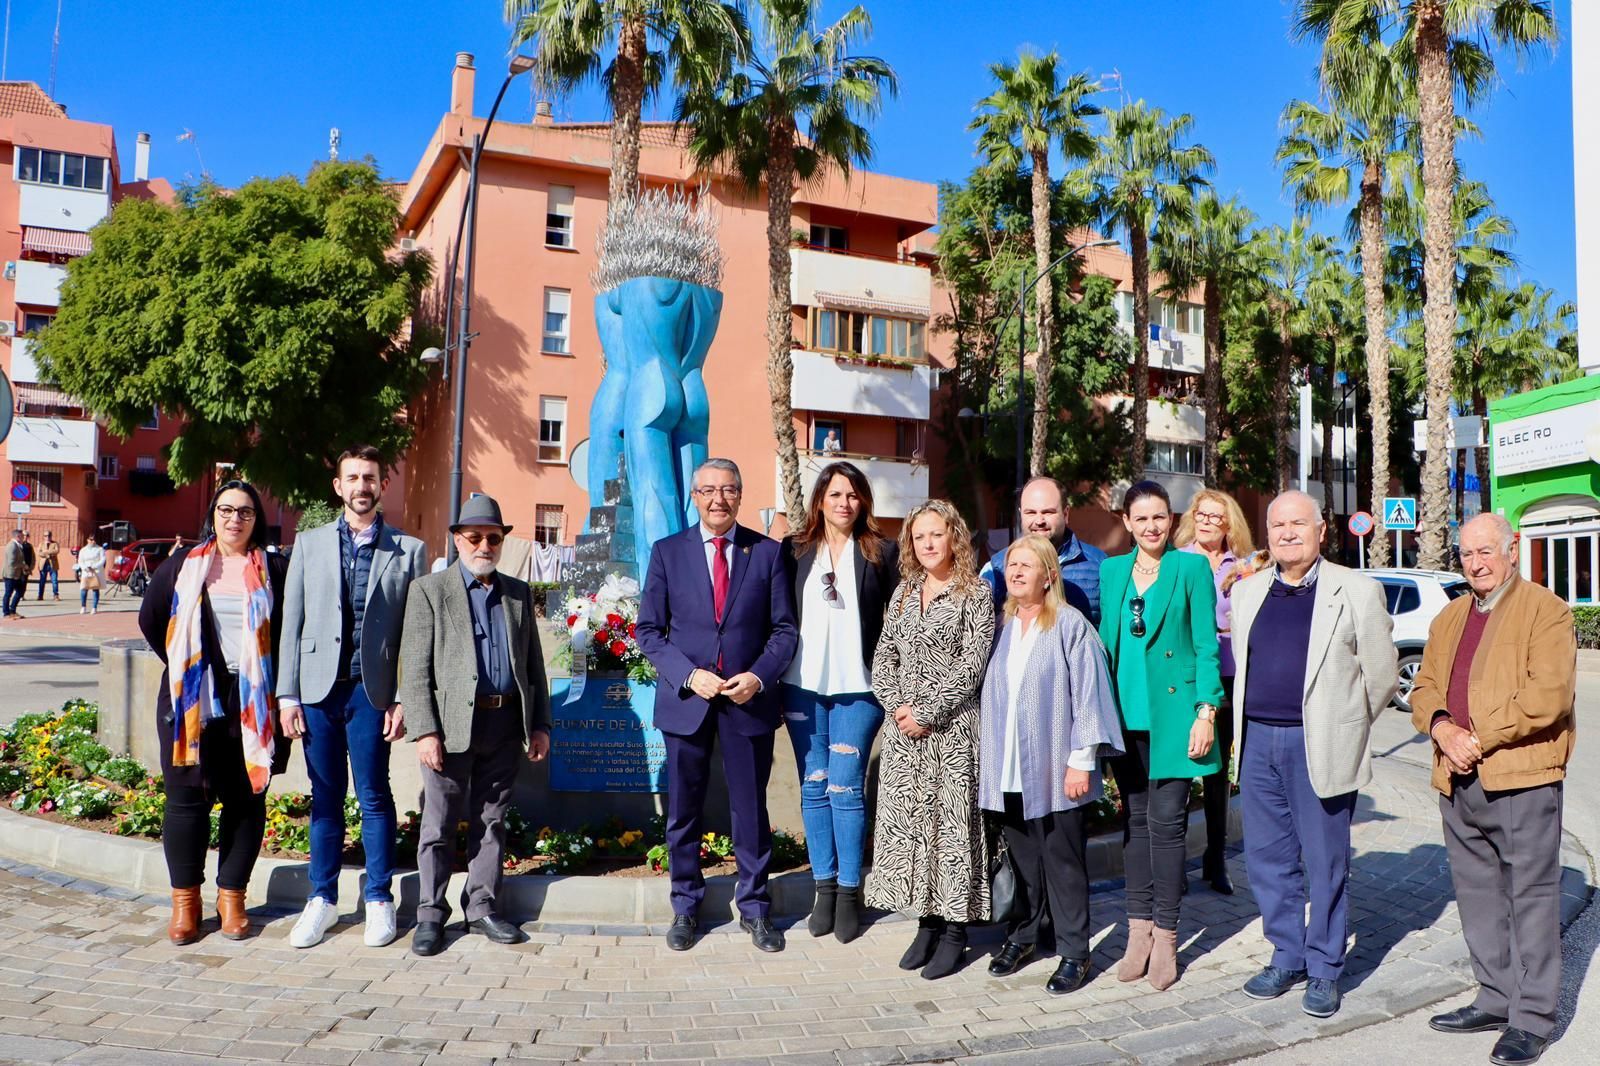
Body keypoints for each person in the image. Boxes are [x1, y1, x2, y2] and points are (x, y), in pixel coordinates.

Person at [1411, 513, 1576, 1066]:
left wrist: (1474, 737)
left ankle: (1532, 1019)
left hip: (1522, 778)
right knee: (1478, 895)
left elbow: (1547, 697)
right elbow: (1424, 685)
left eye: (1487, 552)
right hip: (1456, 778)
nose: (1476, 563)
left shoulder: (1545, 611)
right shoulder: (1451, 615)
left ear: (1513, 549)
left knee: (1530, 898)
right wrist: (1441, 727)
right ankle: (1496, 996)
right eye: (1466, 554)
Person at [1229, 491, 1396, 1019]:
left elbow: (1382, 675)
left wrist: (1345, 727)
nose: (1286, 533)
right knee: (1268, 860)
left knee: (1325, 862)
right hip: (1257, 741)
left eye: (1297, 523)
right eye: (1276, 525)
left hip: (1318, 743)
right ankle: (1287, 954)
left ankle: (1324, 967)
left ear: (1322, 530)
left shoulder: (1355, 589)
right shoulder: (1248, 591)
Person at [636, 458, 798, 954]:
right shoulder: (668, 553)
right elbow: (648, 631)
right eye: (707, 490)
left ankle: (755, 909)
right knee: (683, 811)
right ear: (694, 495)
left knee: (749, 810)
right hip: (688, 701)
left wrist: (757, 677)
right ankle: (685, 906)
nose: (717, 499)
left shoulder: (767, 553)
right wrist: (689, 674)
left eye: (727, 489)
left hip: (747, 702)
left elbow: (784, 630)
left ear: (741, 494)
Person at [277, 446, 427, 949]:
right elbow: (291, 624)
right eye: (353, 478)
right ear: (338, 486)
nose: (362, 486)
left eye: (370, 478)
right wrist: (287, 694)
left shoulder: (409, 550)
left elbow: (417, 631)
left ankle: (379, 898)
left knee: (374, 796)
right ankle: (321, 899)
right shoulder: (309, 543)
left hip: (373, 692)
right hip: (318, 692)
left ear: (382, 485)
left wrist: (406, 696)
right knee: (324, 799)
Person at [137, 480, 291, 945]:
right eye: (226, 510)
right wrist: (187, 670)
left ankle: (232, 899)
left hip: (253, 698)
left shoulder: (273, 569)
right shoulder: (184, 566)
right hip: (193, 699)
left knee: (246, 799)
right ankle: (186, 904)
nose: (234, 519)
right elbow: (151, 620)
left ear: (255, 519)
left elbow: (288, 629)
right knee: (186, 800)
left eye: (245, 512)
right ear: (213, 515)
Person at [398, 494, 551, 957]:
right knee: (439, 823)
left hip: (504, 722)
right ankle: (429, 914)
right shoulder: (430, 590)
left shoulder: (518, 593)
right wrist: (425, 730)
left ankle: (482, 907)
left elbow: (533, 666)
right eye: (475, 537)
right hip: (448, 729)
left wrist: (540, 723)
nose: (484, 545)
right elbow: (416, 667)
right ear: (458, 539)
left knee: (492, 821)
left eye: (493, 537)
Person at [979, 535, 1124, 995]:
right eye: (1012, 565)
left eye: (1027, 565)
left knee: (1063, 862)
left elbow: (1088, 695)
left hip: (1057, 768)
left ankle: (1074, 953)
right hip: (1010, 769)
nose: (1016, 572)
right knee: (1023, 862)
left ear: (1049, 576)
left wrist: (1081, 762)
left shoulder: (1070, 624)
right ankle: (1022, 937)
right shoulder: (999, 627)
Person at [1098, 480, 1221, 991]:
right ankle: (1138, 932)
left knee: (1168, 826)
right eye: (1140, 518)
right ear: (1126, 522)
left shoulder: (1190, 568)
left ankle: (1167, 937)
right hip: (1123, 719)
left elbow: (1206, 645)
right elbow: (1105, 645)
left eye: (1159, 517)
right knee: (1135, 823)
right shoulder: (1111, 571)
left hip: (1175, 717)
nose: (1151, 527)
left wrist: (1206, 712)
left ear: (1171, 520)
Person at [866, 499, 995, 981]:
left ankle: (956, 932)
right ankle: (926, 921)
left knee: (951, 832)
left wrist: (927, 711)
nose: (927, 544)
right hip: (904, 735)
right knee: (914, 830)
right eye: (919, 537)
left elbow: (971, 665)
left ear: (954, 536)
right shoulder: (903, 592)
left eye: (936, 535)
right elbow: (884, 658)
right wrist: (897, 707)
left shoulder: (976, 593)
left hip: (953, 733)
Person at [779, 461, 899, 943]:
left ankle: (850, 891)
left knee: (846, 787)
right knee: (813, 786)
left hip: (860, 688)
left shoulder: (881, 552)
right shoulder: (793, 551)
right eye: (835, 495)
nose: (844, 503)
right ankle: (822, 888)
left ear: (863, 502)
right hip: (801, 686)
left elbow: (899, 622)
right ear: (820, 501)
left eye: (852, 495)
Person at [1173, 488, 1256, 895]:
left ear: (1229, 524)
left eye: (1215, 517)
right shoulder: (1178, 560)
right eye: (1200, 515)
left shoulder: (1241, 565)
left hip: (1229, 673)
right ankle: (1179, 863)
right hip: (1189, 673)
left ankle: (1216, 858)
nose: (1206, 522)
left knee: (1220, 772)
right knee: (1187, 766)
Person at [979, 476, 1107, 625]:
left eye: (1048, 512)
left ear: (1066, 514)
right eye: (1031, 513)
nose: (1039, 521)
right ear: (1021, 514)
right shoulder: (996, 568)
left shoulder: (1100, 565)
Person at [76, 536, 106, 615]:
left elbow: (102, 560)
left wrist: (94, 566)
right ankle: (83, 606)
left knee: (95, 588)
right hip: (86, 570)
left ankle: (94, 607)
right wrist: (84, 567)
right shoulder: (83, 550)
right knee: (84, 589)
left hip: (95, 570)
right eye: (91, 539)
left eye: (94, 540)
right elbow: (80, 560)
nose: (93, 541)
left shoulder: (100, 549)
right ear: (87, 540)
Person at [2, 529, 25, 618]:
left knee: (20, 592)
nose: (23, 538)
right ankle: (6, 613)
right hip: (10, 574)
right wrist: (23, 566)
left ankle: (12, 611)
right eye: (22, 536)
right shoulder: (12, 546)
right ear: (18, 536)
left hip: (16, 574)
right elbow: (12, 562)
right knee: (8, 593)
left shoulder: (18, 545)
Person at [37, 531, 60, 601]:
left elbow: (56, 551)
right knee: (42, 581)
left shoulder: (55, 543)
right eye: (45, 536)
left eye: (49, 536)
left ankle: (56, 595)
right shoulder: (41, 544)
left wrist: (46, 551)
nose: (47, 537)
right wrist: (48, 554)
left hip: (52, 565)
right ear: (44, 536)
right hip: (43, 564)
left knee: (54, 580)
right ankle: (40, 595)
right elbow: (39, 553)